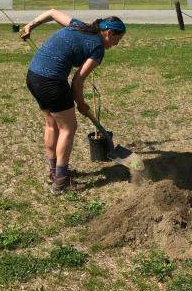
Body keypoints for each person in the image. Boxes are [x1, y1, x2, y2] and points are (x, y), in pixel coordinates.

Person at [20, 10, 126, 194]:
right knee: (68, 128)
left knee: (52, 123)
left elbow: (52, 12)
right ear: (108, 33)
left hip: (33, 76)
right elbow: (77, 81)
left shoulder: (78, 24)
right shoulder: (97, 48)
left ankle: (54, 172)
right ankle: (61, 182)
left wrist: (31, 25)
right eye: (117, 40)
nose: (116, 44)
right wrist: (81, 104)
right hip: (51, 82)